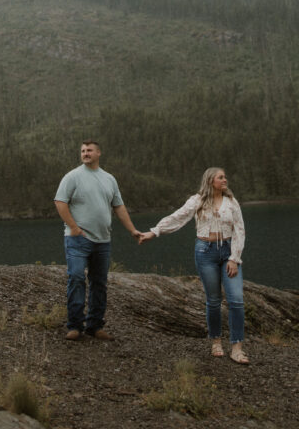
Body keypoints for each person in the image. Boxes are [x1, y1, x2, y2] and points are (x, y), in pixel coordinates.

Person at [140, 167, 249, 363]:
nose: (225, 180)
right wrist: (155, 231)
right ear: (210, 181)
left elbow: (240, 230)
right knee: (214, 300)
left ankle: (237, 348)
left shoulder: (232, 202)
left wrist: (234, 258)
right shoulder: (197, 200)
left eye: (225, 177)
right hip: (205, 252)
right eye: (221, 177)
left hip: (227, 251)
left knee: (236, 300)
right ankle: (216, 342)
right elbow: (178, 217)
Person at [54, 139, 142, 340]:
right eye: (83, 150)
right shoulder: (73, 177)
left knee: (99, 283)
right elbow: (60, 202)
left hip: (103, 240)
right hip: (77, 239)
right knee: (76, 277)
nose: (85, 153)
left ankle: (95, 325)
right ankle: (75, 326)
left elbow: (118, 206)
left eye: (89, 150)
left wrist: (132, 230)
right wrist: (74, 228)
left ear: (98, 153)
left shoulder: (109, 179)